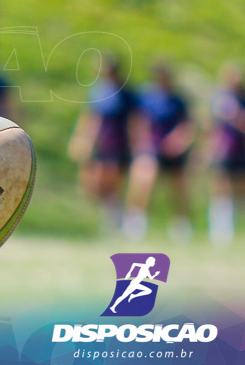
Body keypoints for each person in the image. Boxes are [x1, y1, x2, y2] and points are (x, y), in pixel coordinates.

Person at [68, 56, 144, 235]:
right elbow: (90, 116)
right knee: (93, 183)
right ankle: (106, 216)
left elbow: (135, 120)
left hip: (118, 144)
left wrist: (137, 144)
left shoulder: (127, 94)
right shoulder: (98, 91)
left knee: (112, 182)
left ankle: (116, 219)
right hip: (100, 143)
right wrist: (81, 138)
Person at [123, 62, 195, 240]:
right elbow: (137, 121)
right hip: (150, 147)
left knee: (179, 187)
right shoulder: (146, 97)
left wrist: (179, 140)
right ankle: (136, 220)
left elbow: (187, 125)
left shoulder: (179, 100)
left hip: (174, 150)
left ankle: (180, 224)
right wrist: (141, 142)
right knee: (143, 181)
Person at [209, 62, 245, 245]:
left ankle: (237, 226)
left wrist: (236, 115)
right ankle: (220, 229)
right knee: (221, 187)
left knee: (240, 189)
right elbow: (213, 126)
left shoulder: (241, 100)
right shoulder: (219, 99)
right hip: (225, 150)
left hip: (241, 150)